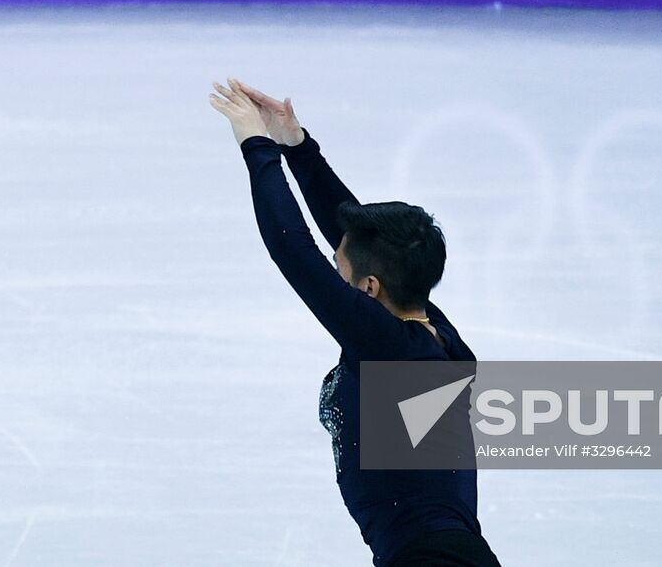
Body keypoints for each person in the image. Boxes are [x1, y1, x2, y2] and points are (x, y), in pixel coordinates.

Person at [210, 80, 502, 566]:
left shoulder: (394, 353)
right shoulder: (428, 331)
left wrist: (256, 146)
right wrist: (297, 147)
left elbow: (294, 251)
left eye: (339, 269)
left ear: (369, 288)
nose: (334, 267)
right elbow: (355, 237)